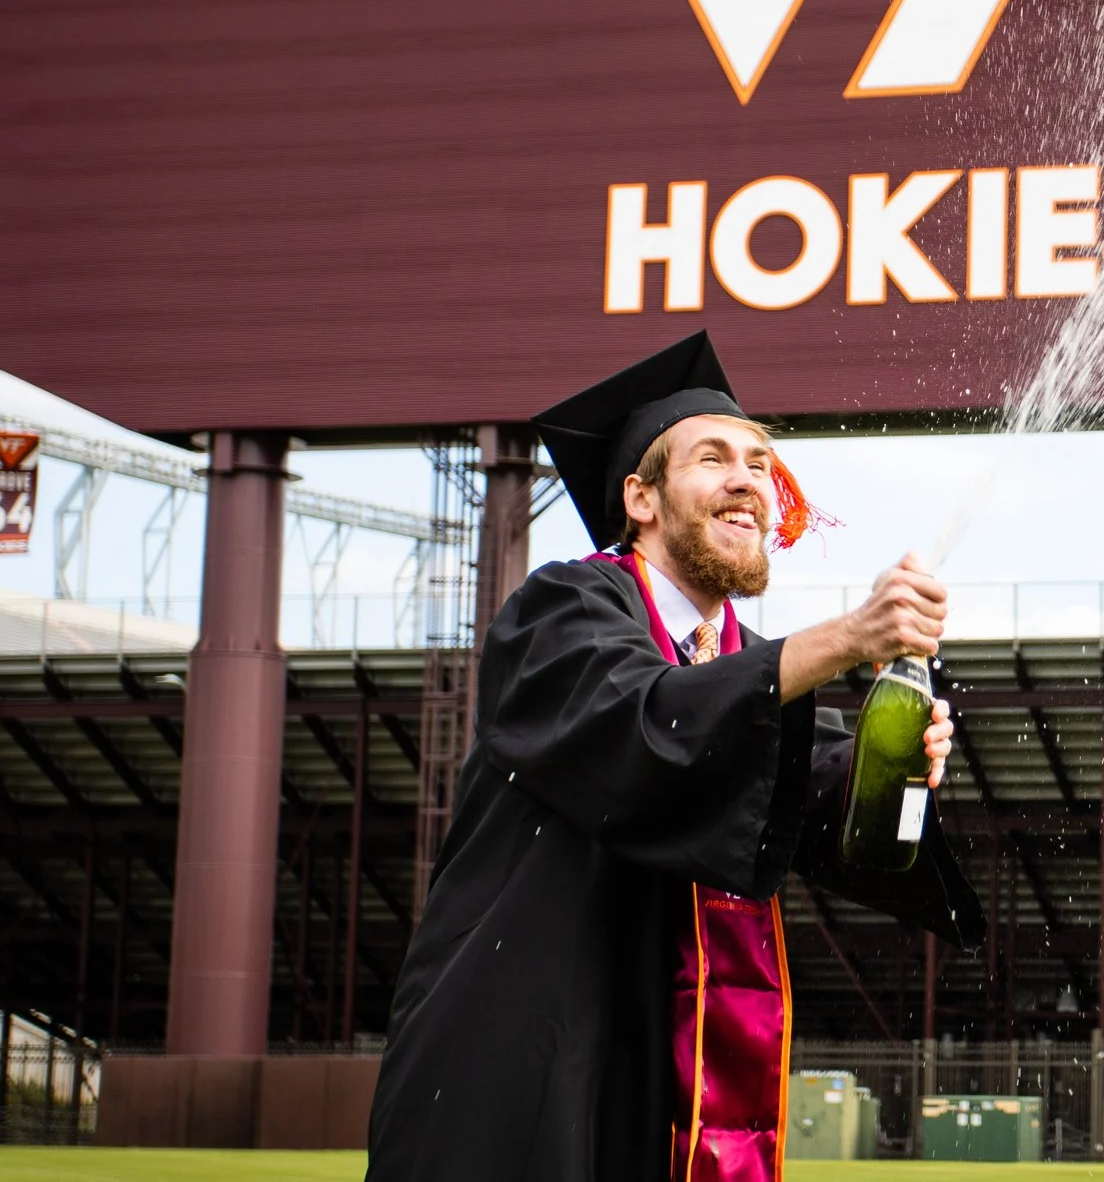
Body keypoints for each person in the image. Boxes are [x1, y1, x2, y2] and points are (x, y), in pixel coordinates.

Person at [368, 331, 984, 1182]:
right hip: (522, 1056)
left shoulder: (746, 668)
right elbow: (648, 723)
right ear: (641, 497)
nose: (748, 481)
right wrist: (847, 635)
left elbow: (824, 804)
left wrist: (906, 754)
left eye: (761, 464)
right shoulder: (561, 609)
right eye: (713, 457)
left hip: (667, 1075)